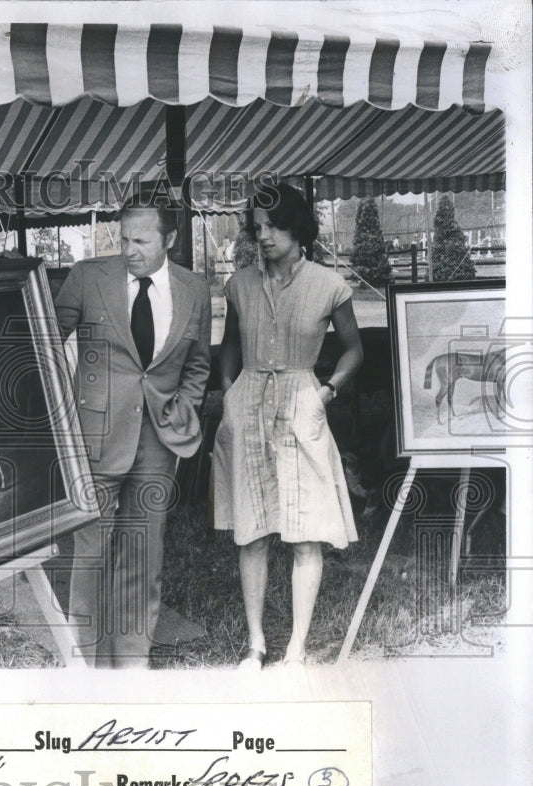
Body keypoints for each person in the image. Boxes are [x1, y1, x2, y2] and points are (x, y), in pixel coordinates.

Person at [55, 194, 212, 669]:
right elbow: (43, 343)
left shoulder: (195, 290)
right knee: (91, 556)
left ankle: (131, 665)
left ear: (170, 239)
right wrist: (66, 410)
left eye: (141, 240)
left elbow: (198, 365)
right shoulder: (86, 277)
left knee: (143, 557)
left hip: (159, 443)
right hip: (96, 440)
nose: (129, 249)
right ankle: (89, 668)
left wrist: (182, 407)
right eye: (123, 238)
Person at [212, 181, 362, 669]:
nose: (265, 236)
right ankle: (255, 643)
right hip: (249, 404)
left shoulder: (328, 284)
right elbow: (230, 341)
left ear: (298, 228)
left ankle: (296, 648)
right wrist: (231, 389)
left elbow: (354, 349)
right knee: (252, 529)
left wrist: (325, 392)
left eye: (274, 226)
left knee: (305, 530)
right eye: (258, 228)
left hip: (302, 403)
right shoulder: (240, 284)